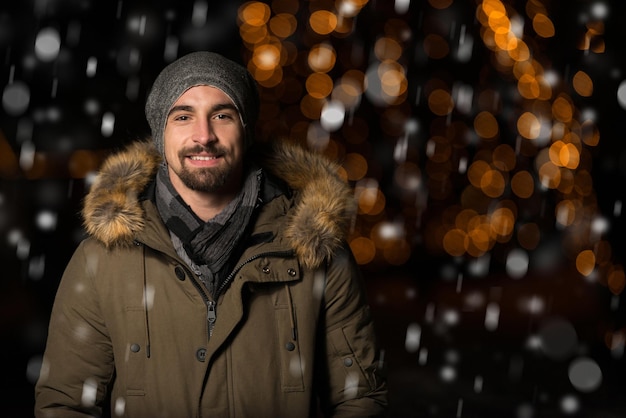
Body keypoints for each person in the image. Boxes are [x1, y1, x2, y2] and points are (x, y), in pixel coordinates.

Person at [34, 51, 388, 417]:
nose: (204, 136)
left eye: (222, 115)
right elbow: (64, 404)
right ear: (161, 135)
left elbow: (360, 398)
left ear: (246, 129)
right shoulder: (101, 259)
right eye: (183, 117)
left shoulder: (317, 249)